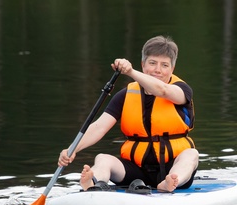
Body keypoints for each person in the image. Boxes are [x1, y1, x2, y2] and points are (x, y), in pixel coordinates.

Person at [58, 35, 199, 192]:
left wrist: (131, 71)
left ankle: (170, 183)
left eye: (164, 65)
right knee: (103, 158)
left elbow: (162, 90)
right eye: (152, 63)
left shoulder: (182, 91)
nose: (158, 70)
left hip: (171, 166)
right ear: (143, 65)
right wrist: (72, 149)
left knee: (191, 154)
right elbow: (99, 127)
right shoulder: (125, 96)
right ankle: (94, 184)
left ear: (172, 69)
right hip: (135, 171)